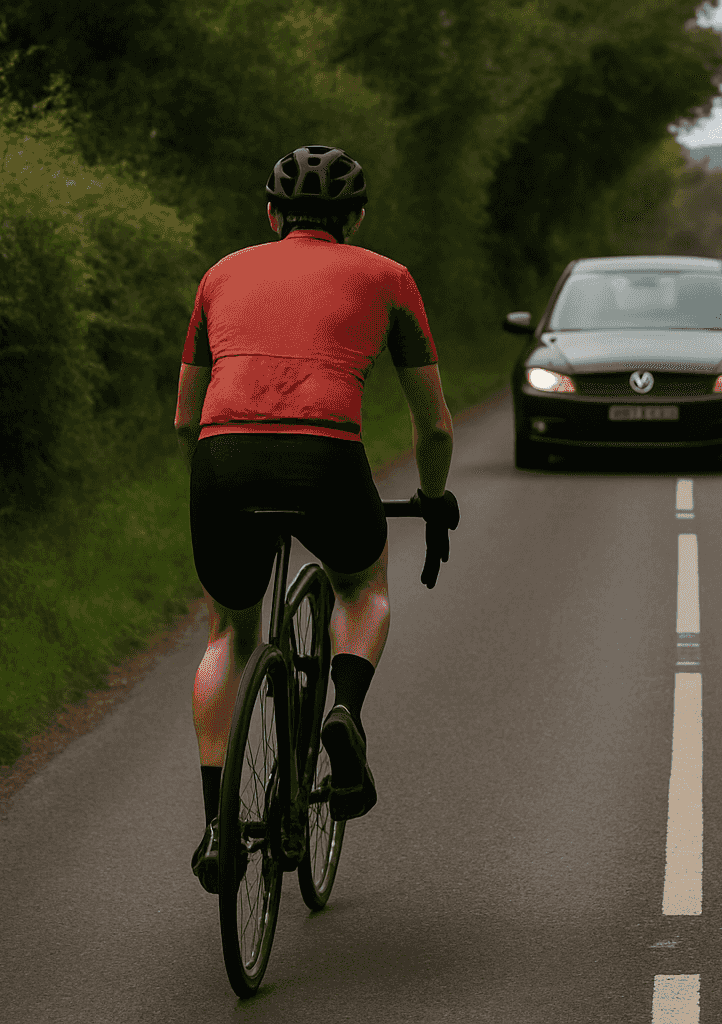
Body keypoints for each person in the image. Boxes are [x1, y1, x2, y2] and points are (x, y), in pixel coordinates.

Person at [174, 145, 460, 894]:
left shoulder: (220, 275)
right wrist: (432, 498)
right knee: (362, 586)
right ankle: (343, 710)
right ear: (356, 218)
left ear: (271, 214)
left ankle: (216, 832)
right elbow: (433, 427)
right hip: (325, 458)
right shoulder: (388, 278)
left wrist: (220, 476)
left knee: (229, 635)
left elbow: (183, 418)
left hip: (223, 455)